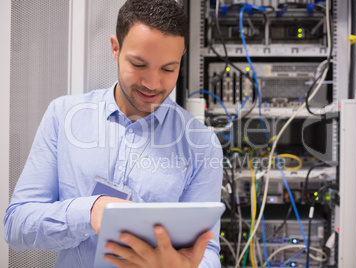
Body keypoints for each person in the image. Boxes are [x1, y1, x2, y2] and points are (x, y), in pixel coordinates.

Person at [3, 0, 223, 267]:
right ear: (115, 48)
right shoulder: (63, 115)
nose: (152, 84)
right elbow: (16, 227)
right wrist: (90, 211)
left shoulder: (201, 144)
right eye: (139, 64)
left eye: (168, 68)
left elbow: (207, 250)